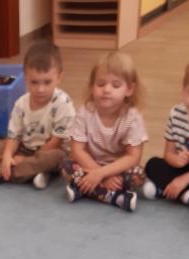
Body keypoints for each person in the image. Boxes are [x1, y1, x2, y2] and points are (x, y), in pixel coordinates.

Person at [0, 40, 75, 189]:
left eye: (47, 82)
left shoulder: (63, 103)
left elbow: (56, 142)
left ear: (59, 77)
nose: (40, 89)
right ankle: (36, 172)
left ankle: (4, 174)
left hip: (50, 151)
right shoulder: (21, 104)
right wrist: (7, 156)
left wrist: (23, 160)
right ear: (25, 78)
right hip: (26, 148)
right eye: (34, 82)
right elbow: (13, 136)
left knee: (58, 157)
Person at [62, 51, 147, 212]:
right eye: (100, 84)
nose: (107, 90)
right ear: (92, 86)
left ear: (129, 89)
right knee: (67, 165)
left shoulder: (133, 117)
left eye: (116, 85)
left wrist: (102, 174)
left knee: (138, 175)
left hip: (117, 169)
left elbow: (133, 157)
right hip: (90, 165)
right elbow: (77, 150)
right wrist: (98, 173)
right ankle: (114, 197)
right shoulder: (84, 112)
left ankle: (86, 190)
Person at [143, 51, 189, 219]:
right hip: (181, 169)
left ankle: (166, 188)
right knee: (152, 164)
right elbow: (168, 154)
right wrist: (176, 160)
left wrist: (185, 179)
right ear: (183, 89)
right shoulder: (176, 114)